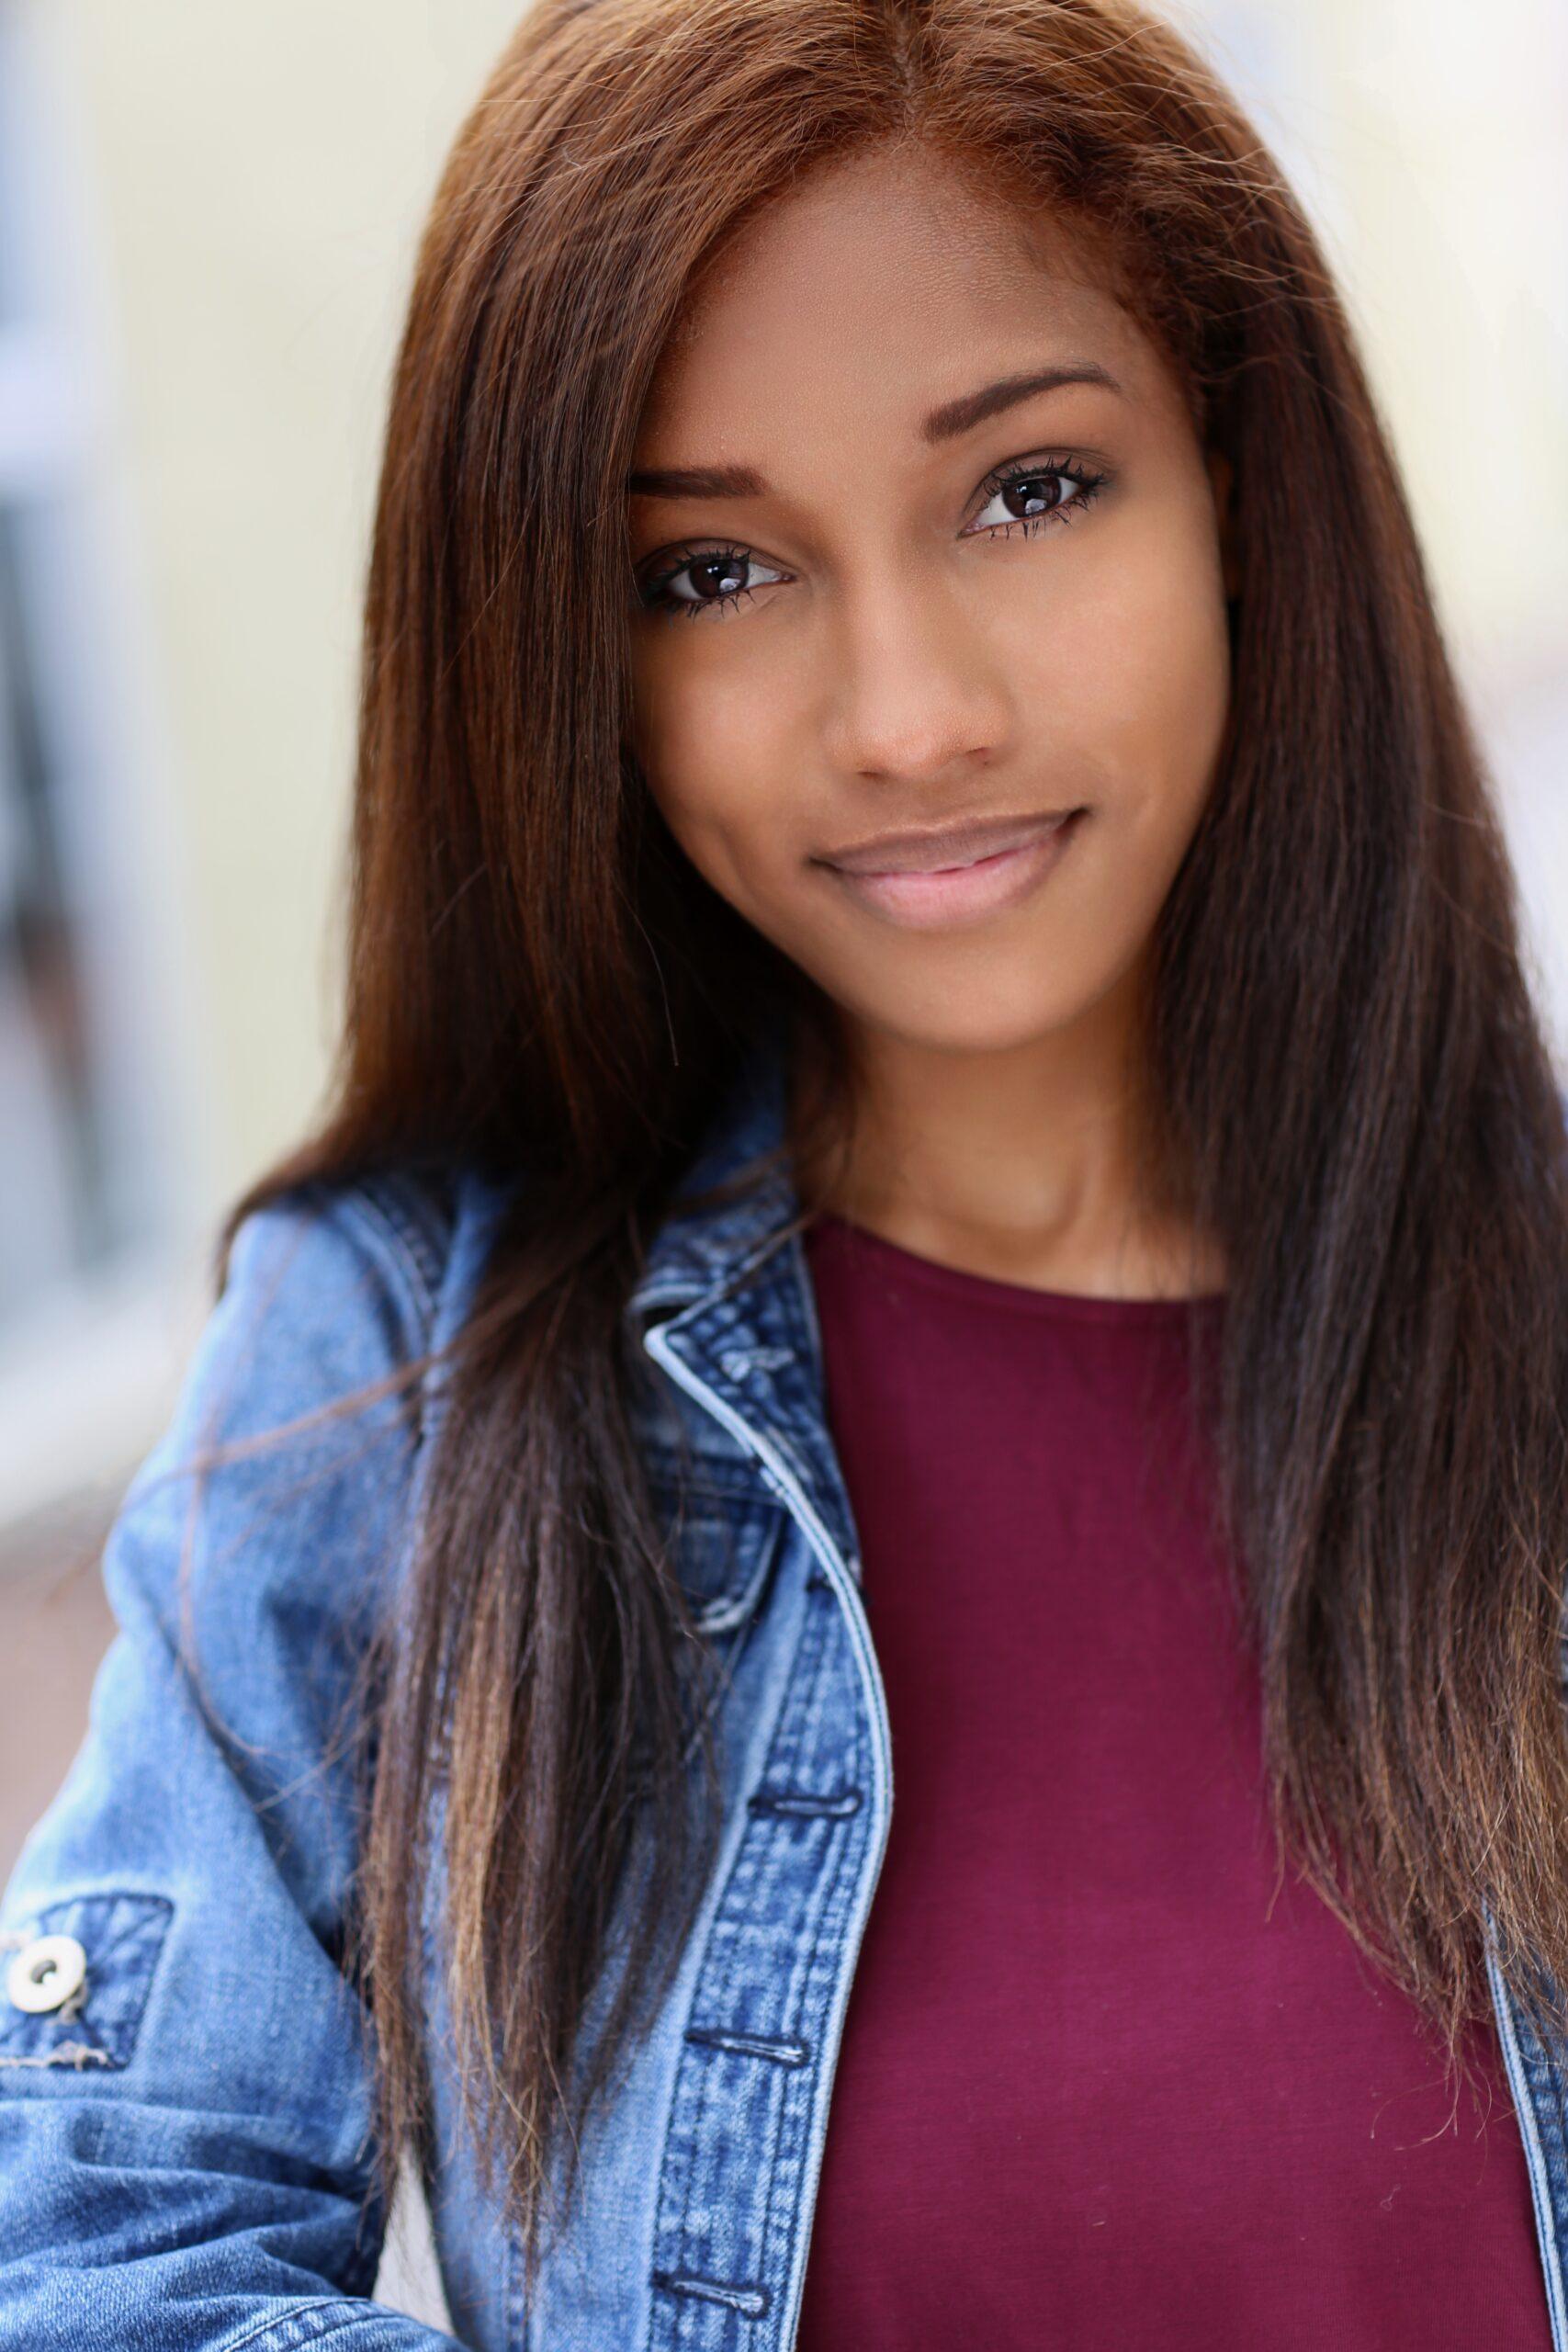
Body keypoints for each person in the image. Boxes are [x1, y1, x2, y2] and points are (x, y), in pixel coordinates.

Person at [3, 0, 1567, 2345]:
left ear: (1244, 496)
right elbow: (96, 2249)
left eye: (1027, 488)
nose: (908, 715)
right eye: (712, 572)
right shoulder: (396, 1362)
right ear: (564, 657)